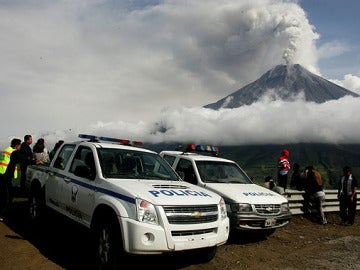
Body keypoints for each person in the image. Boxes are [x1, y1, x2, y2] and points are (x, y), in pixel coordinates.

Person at [0, 138, 42, 218]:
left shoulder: (7, 150)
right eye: (20, 145)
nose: (20, 147)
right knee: (7, 196)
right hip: (5, 176)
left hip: (1, 173)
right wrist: (36, 162)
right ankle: (3, 214)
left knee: (4, 194)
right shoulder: (14, 152)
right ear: (17, 145)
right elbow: (24, 160)